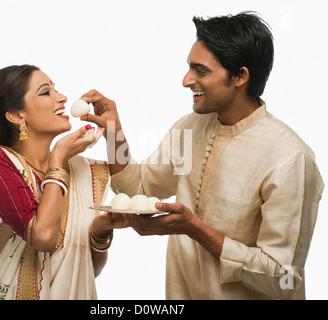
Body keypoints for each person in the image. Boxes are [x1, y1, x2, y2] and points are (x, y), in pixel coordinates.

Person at [80, 12, 324, 299]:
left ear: (240, 76)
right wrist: (113, 133)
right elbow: (140, 188)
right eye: (189, 68)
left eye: (201, 70)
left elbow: (284, 279)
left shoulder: (290, 159)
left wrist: (196, 229)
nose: (186, 80)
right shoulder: (190, 127)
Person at [0, 65, 128, 300]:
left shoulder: (76, 170)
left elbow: (89, 271)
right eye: (46, 92)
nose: (63, 97)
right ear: (17, 116)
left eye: (56, 90)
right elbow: (44, 238)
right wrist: (58, 158)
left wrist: (113, 129)